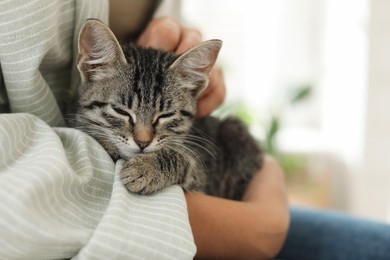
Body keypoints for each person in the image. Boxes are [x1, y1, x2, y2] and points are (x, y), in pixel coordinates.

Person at [0, 1, 389, 259]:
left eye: (162, 120)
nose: (143, 138)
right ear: (92, 71)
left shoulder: (176, 133)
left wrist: (179, 36)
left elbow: (196, 165)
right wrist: (260, 227)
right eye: (122, 113)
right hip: (217, 225)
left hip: (234, 200)